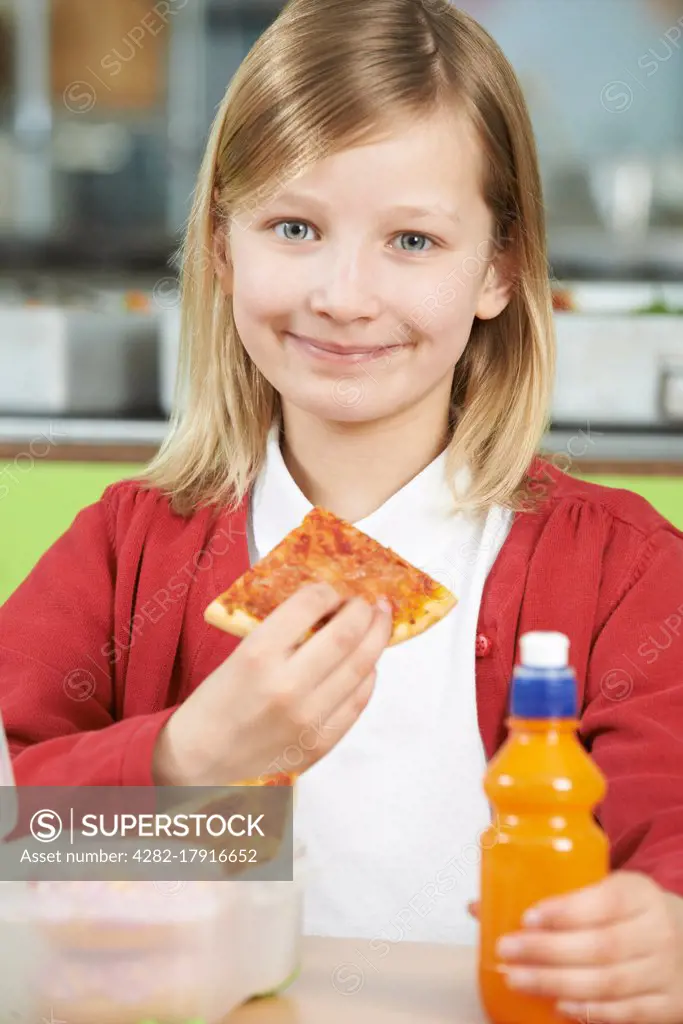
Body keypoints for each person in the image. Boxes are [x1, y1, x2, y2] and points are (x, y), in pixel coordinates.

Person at [2, 0, 683, 1018]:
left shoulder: (622, 567)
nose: (344, 294)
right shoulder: (125, 550)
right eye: (293, 227)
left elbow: (664, 833)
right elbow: (20, 849)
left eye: (411, 239)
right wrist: (190, 765)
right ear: (223, 248)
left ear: (497, 267)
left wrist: (660, 927)